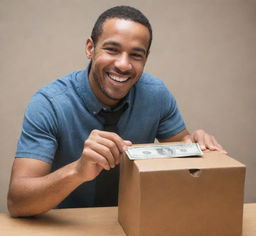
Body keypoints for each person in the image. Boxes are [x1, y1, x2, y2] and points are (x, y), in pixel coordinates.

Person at [7, 5, 226, 217]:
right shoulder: (49, 104)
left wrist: (196, 147)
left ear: (146, 58)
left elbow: (181, 155)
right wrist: (77, 171)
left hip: (134, 222)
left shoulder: (156, 95)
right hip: (64, 227)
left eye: (136, 55)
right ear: (90, 48)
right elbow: (17, 202)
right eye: (112, 50)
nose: (123, 65)